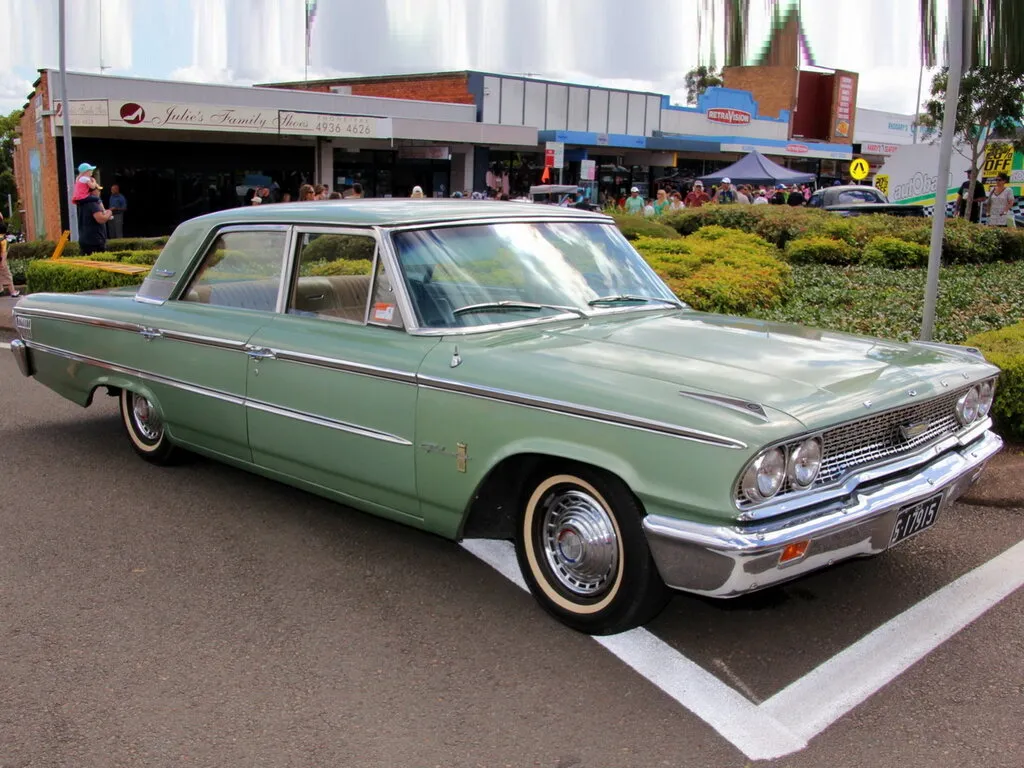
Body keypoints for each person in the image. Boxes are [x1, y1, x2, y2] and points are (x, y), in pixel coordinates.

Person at [77, 188, 112, 255]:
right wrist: (109, 212)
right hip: (95, 241)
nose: (99, 192)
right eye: (98, 190)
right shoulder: (93, 203)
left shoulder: (83, 203)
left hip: (85, 239)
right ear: (92, 191)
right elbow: (101, 219)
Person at [0, 221, 20, 297]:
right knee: (7, 276)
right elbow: (4, 253)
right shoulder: (3, 240)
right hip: (1, 260)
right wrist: (3, 262)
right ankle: (13, 292)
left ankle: (1, 290)